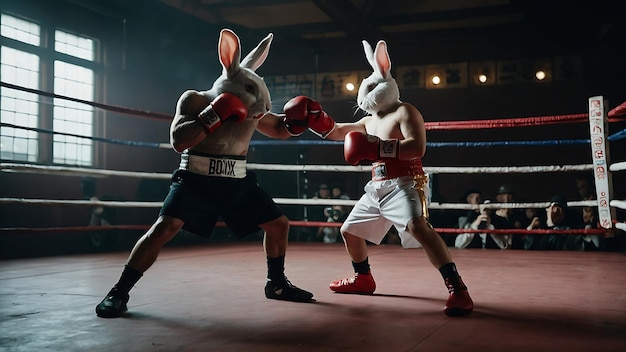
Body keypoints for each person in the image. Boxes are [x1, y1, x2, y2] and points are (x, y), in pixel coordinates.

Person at [95, 29, 313, 318]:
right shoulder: (195, 100)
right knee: (164, 228)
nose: (259, 107)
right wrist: (214, 113)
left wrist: (300, 123)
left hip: (236, 180)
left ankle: (276, 284)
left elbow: (276, 129)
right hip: (196, 178)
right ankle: (118, 293)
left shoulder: (253, 109)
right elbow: (178, 141)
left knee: (278, 224)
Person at [282, 39, 473, 316]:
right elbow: (336, 132)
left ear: (387, 83)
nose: (365, 98)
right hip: (377, 186)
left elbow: (417, 148)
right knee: (349, 231)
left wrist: (375, 147)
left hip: (406, 182)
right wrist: (314, 119)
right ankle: (363, 278)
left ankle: (457, 288)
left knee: (418, 227)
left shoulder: (405, 111)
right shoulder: (368, 121)